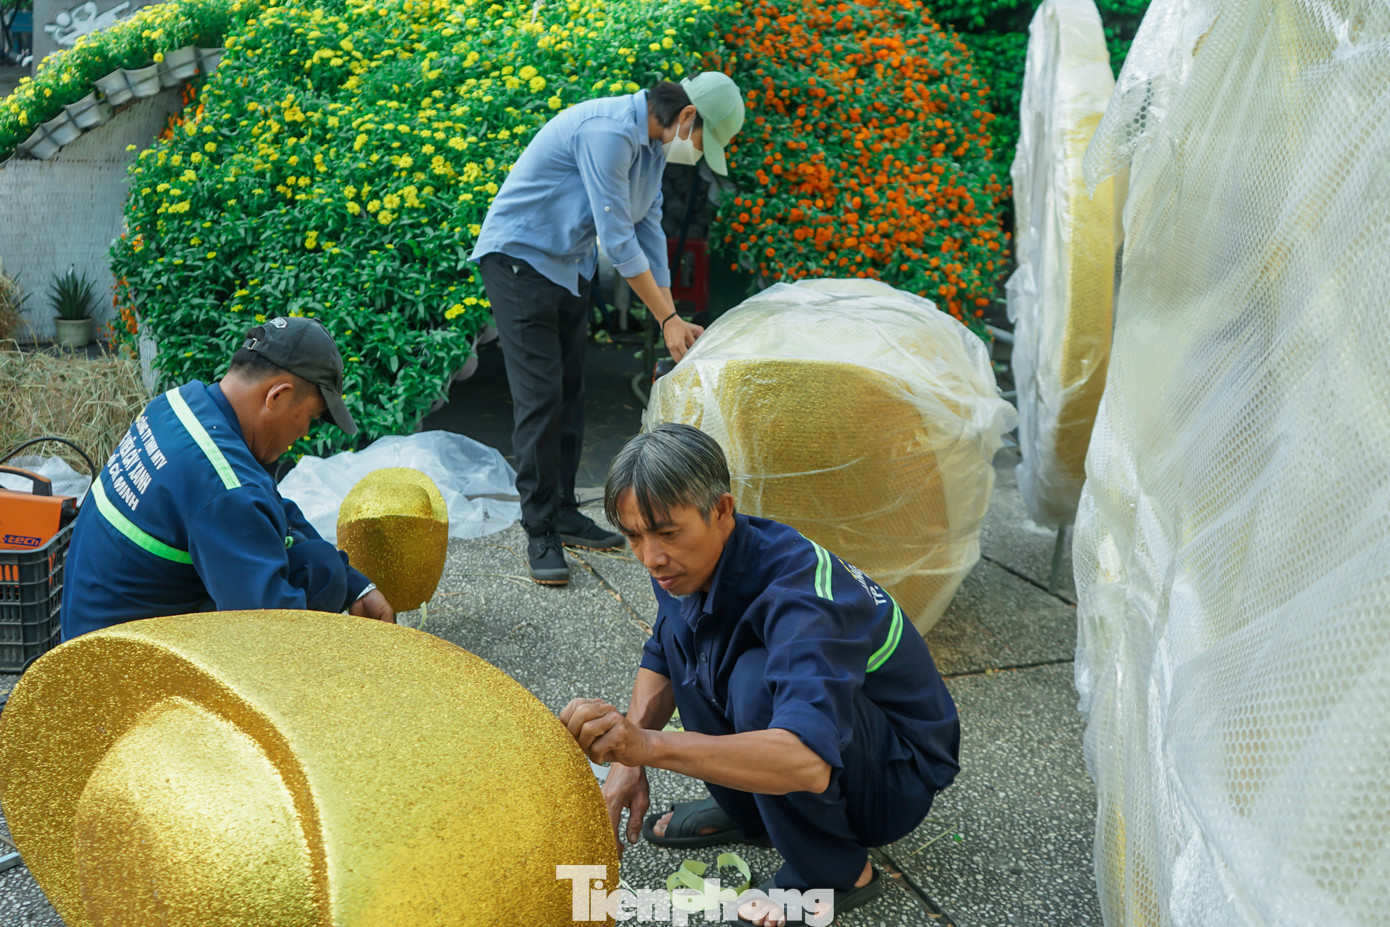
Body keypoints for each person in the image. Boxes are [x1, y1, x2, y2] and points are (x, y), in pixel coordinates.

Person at [561, 424, 961, 926]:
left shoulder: (802, 595)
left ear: (723, 510)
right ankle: (752, 811)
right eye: (634, 536)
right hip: (831, 746)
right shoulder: (686, 564)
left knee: (753, 682)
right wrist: (626, 763)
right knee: (697, 644)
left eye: (666, 533)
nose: (650, 557)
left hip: (893, 776)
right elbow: (665, 652)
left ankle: (836, 870)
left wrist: (646, 745)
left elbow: (807, 761)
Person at [471, 73, 745, 586]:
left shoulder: (654, 146)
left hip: (566, 264)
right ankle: (539, 529)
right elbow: (618, 241)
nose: (695, 150)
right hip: (519, 262)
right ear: (687, 116)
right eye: (702, 140)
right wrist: (665, 319)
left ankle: (565, 510)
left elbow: (648, 226)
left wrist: (673, 314)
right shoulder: (608, 132)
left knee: (571, 392)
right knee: (540, 398)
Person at [60, 317, 395, 640]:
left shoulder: (177, 405)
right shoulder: (225, 490)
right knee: (319, 575)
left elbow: (268, 506)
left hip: (88, 635)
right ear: (276, 396)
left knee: (320, 564)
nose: (305, 432)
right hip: (121, 675)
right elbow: (274, 634)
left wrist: (356, 586)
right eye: (310, 417)